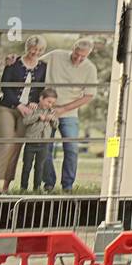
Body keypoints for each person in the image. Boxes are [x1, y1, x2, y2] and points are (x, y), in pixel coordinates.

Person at [40, 38, 99, 191]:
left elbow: (88, 96)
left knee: (71, 148)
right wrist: (15, 60)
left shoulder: (90, 69)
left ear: (88, 54)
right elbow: (33, 63)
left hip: (69, 113)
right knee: (45, 147)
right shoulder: (55, 56)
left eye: (83, 57)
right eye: (76, 54)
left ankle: (67, 185)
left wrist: (63, 109)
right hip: (47, 111)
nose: (78, 59)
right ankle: (49, 183)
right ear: (73, 49)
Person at [0, 35, 47, 193]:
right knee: (6, 144)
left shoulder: (43, 66)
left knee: (16, 146)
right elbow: (5, 87)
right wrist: (19, 105)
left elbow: (40, 88)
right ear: (27, 47)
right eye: (32, 49)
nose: (35, 52)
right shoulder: (13, 63)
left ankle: (6, 186)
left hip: (27, 113)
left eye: (39, 50)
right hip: (8, 107)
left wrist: (35, 101)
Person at [18, 87, 60, 192]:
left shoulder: (52, 112)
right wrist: (38, 116)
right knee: (27, 166)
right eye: (48, 101)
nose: (50, 105)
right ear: (41, 98)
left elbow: (56, 125)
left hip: (43, 144)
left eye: (52, 103)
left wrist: (53, 119)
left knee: (39, 167)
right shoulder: (33, 109)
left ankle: (36, 188)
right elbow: (25, 121)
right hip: (31, 143)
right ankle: (23, 188)